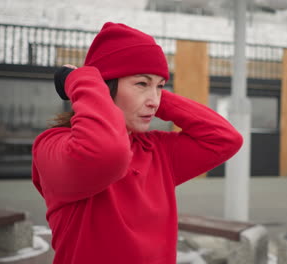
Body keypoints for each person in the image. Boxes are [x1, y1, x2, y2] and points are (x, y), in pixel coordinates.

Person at [32, 22, 243, 264]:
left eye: (161, 87)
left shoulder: (158, 151)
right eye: (141, 83)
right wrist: (83, 81)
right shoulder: (53, 146)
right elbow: (106, 153)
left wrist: (151, 97)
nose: (154, 100)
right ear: (104, 87)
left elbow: (225, 139)